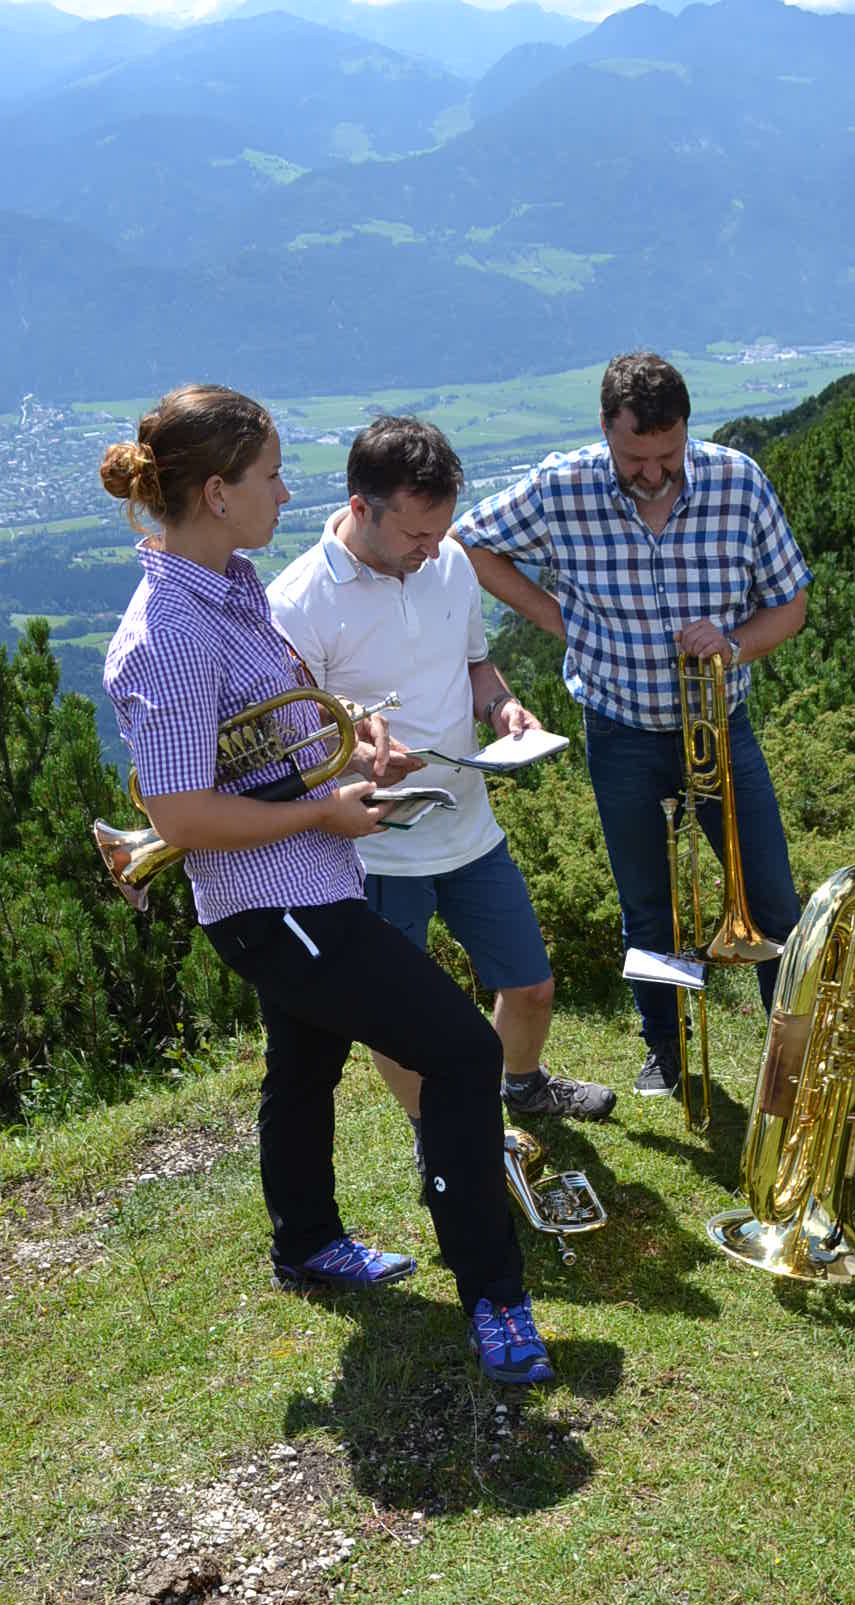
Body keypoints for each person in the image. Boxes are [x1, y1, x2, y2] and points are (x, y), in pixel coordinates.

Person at [100, 384, 556, 1388]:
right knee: (462, 1051)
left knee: (302, 1073)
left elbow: (269, 725)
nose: (284, 489)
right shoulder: (171, 628)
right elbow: (178, 814)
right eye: (268, 474)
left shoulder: (230, 586)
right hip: (279, 904)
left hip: (306, 882)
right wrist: (323, 812)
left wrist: (351, 735)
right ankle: (495, 1296)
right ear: (217, 492)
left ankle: (306, 1242)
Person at [267, 415, 614, 1193]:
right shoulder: (298, 601)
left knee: (530, 984)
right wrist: (362, 754)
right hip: (376, 843)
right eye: (416, 534)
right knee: (399, 1016)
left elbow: (478, 668)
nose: (431, 550)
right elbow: (296, 740)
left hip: (468, 822)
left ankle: (521, 1085)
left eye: (440, 532)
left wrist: (504, 710)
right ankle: (436, 1132)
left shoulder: (450, 562)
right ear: (361, 508)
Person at [453, 351, 811, 1098]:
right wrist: (561, 621)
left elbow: (791, 604)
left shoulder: (738, 481)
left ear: (688, 430)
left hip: (720, 725)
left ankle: (796, 1050)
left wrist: (735, 644)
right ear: (605, 433)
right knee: (647, 907)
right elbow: (469, 544)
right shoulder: (563, 483)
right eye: (634, 458)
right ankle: (667, 1051)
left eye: (668, 456)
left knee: (772, 898)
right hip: (617, 732)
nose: (652, 474)